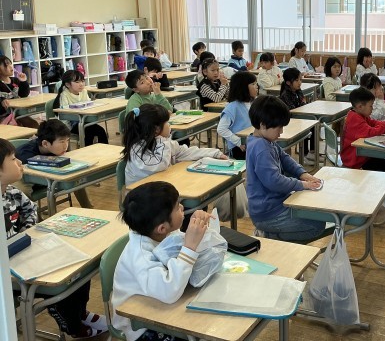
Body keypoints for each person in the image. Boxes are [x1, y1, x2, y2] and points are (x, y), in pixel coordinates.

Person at [1, 139, 108, 338]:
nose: (20, 163)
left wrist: (25, 231)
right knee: (63, 278)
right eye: (13, 159)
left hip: (23, 253)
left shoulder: (11, 192)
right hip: (8, 272)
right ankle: (72, 323)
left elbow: (30, 209)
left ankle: (79, 313)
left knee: (77, 266)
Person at [112, 181, 223, 341]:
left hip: (158, 305)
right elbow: (169, 292)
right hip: (139, 325)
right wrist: (190, 246)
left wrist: (198, 228)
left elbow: (186, 251)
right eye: (177, 207)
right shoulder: (141, 257)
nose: (182, 207)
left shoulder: (161, 233)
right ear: (162, 228)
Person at [245, 95, 326, 242]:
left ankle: (270, 235)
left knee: (314, 213)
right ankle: (268, 236)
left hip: (276, 206)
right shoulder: (261, 147)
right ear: (263, 125)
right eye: (279, 127)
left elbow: (285, 158)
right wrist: (303, 185)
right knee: (316, 226)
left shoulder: (264, 140)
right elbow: (274, 181)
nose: (281, 132)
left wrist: (302, 174)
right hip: (268, 213)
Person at [122, 104, 227, 185]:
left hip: (160, 188)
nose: (170, 125)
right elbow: (160, 164)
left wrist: (214, 153)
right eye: (167, 122)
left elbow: (185, 152)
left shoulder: (161, 142)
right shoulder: (137, 150)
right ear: (156, 129)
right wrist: (163, 140)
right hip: (143, 197)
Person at [341, 87, 385, 171]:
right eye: (371, 106)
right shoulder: (355, 119)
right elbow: (372, 132)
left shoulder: (358, 114)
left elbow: (373, 123)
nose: (372, 108)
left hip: (360, 155)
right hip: (354, 160)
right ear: (360, 106)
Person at [55, 69, 109, 145]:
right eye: (77, 82)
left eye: (83, 81)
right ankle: (88, 151)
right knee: (89, 131)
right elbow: (64, 116)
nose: (81, 84)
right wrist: (66, 131)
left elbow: (89, 106)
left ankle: (104, 150)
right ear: (67, 84)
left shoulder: (84, 91)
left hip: (85, 121)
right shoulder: (64, 95)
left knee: (101, 131)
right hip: (71, 125)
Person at [218, 71, 258, 160]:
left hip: (252, 142)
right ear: (243, 87)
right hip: (239, 147)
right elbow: (221, 129)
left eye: (256, 83)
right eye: (253, 84)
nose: (256, 86)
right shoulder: (233, 106)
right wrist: (238, 142)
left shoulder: (253, 102)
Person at [280, 68, 316, 165]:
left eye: (300, 79)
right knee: (305, 127)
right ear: (288, 82)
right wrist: (303, 105)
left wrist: (304, 105)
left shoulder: (298, 91)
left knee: (314, 123)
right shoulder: (285, 95)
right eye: (296, 80)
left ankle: (312, 152)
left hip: (299, 117)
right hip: (289, 121)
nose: (300, 82)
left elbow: (303, 103)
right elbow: (293, 110)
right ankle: (304, 154)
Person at [0, 55, 38, 128]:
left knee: (33, 124)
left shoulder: (15, 80)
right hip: (4, 115)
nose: (11, 67)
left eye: (10, 64)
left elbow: (24, 95)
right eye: (6, 65)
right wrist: (2, 101)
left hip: (18, 112)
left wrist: (23, 82)